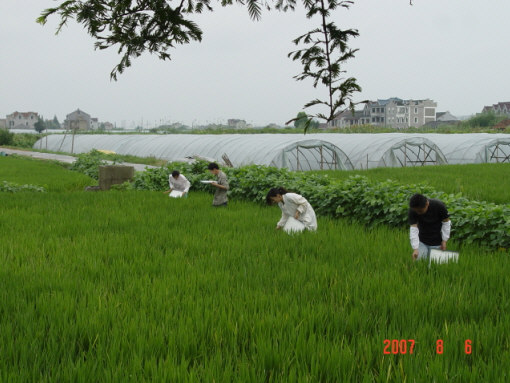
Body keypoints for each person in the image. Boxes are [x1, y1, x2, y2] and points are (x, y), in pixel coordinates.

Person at [408, 193, 451, 261]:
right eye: (416, 211)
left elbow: (446, 222)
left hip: (437, 241)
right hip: (422, 241)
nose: (418, 213)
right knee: (419, 262)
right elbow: (413, 229)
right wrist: (415, 248)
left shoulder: (439, 206)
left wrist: (444, 240)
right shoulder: (413, 210)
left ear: (427, 204)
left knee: (435, 266)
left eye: (420, 211)